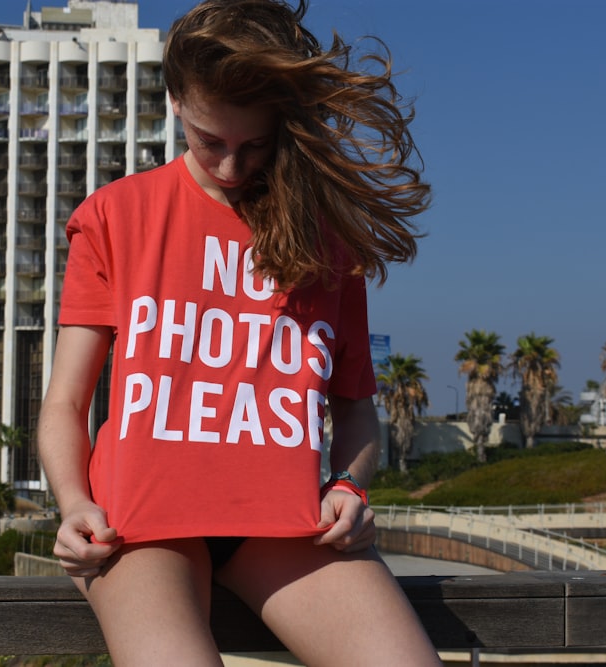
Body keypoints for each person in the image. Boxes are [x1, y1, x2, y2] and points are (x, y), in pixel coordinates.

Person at [37, 0, 440, 664]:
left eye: (254, 144)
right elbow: (65, 404)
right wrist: (74, 501)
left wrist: (348, 483)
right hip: (136, 528)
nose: (229, 167)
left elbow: (357, 409)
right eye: (209, 139)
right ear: (173, 102)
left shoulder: (329, 244)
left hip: (282, 524)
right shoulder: (113, 216)